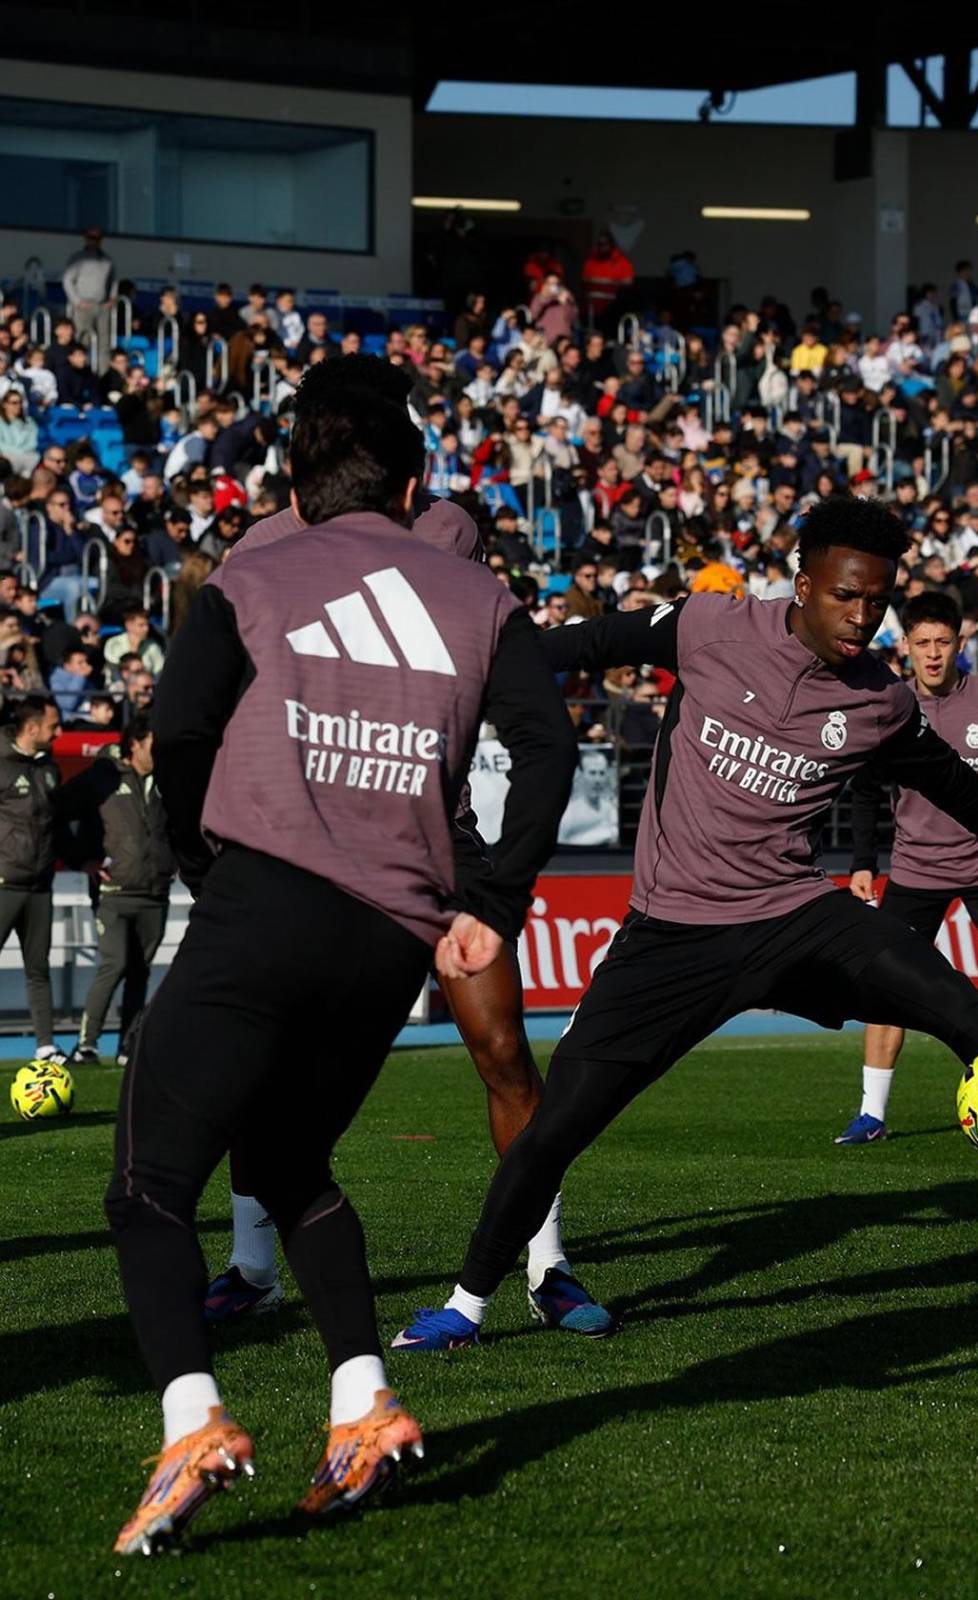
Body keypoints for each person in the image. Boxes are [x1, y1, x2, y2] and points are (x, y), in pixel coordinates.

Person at [394, 496, 978, 1352]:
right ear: (804, 584)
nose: (863, 616)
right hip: (672, 932)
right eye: (847, 595)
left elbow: (955, 786)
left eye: (878, 600)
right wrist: (475, 672)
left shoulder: (882, 702)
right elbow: (587, 644)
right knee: (555, 1130)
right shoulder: (709, 626)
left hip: (791, 914)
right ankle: (466, 1306)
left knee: (954, 1005)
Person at [106, 355, 578, 1554]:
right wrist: (499, 895)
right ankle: (362, 1403)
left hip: (267, 902)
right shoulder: (473, 592)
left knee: (151, 1182)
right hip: (391, 935)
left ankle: (192, 1417)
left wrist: (219, 868)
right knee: (290, 1164)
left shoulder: (257, 572)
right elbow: (547, 742)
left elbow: (178, 731)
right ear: (416, 480)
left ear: (296, 481)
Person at [205, 496, 612, 1340]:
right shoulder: (263, 544)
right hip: (309, 840)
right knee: (257, 1057)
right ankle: (251, 1267)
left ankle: (547, 1263)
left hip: (437, 839)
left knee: (503, 1050)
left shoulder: (445, 527)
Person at [839, 590, 978, 1144]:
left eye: (943, 642)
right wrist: (864, 862)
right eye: (923, 643)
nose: (933, 654)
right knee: (885, 987)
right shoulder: (889, 705)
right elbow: (865, 791)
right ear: (906, 647)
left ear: (960, 644)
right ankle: (872, 1114)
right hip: (916, 871)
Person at [61, 713, 173, 1065]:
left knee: (141, 969)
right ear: (135, 743)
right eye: (154, 743)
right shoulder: (102, 777)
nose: (160, 750)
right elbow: (55, 811)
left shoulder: (164, 778)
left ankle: (128, 1045)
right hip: (115, 893)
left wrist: (173, 859)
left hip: (155, 891)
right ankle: (86, 1045)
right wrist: (82, 860)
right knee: (115, 963)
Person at [0, 697, 67, 1063]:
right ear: (31, 727)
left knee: (38, 968)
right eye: (53, 725)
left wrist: (80, 859)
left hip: (40, 884)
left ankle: (45, 1045)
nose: (59, 731)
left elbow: (56, 826)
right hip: (4, 882)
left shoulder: (49, 768)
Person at [62, 226, 116, 371]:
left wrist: (111, 298)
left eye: (97, 239)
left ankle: (102, 374)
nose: (94, 241)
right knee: (82, 339)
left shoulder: (107, 260)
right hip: (83, 305)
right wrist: (77, 301)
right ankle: (82, 371)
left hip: (102, 305)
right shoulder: (78, 259)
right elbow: (67, 280)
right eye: (91, 238)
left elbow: (113, 280)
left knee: (104, 342)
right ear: (86, 239)